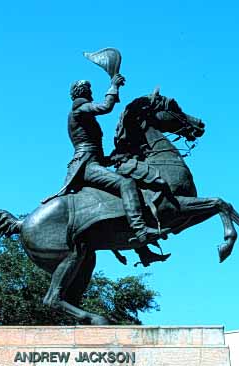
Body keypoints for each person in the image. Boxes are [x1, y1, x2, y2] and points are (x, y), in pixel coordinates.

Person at [43, 75, 163, 246]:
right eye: (89, 90)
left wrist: (112, 158)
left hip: (92, 162)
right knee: (126, 183)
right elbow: (106, 107)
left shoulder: (82, 114)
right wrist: (113, 86)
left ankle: (140, 248)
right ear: (83, 92)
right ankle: (140, 230)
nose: (91, 93)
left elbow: (94, 151)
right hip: (86, 166)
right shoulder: (79, 109)